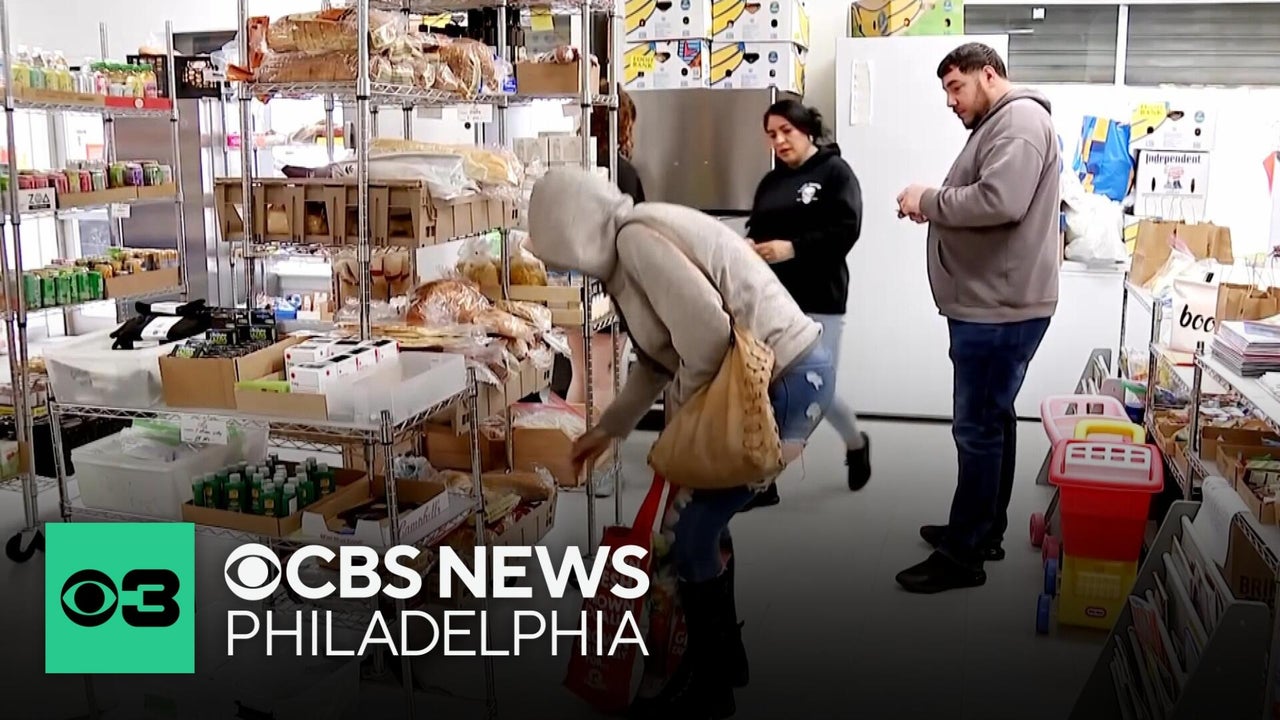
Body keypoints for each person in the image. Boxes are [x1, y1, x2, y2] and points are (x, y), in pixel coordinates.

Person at [527, 167, 834, 718]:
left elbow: (708, 339)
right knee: (706, 523)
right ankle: (726, 661)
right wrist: (609, 427)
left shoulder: (637, 240)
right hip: (782, 375)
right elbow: (658, 360)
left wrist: (686, 428)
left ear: (571, 231)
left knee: (691, 533)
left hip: (783, 381)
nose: (561, 268)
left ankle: (710, 686)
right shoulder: (627, 248)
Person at [894, 43, 1060, 594]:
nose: (950, 100)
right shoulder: (1003, 123)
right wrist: (935, 206)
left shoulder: (1018, 123)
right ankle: (982, 529)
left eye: (955, 87)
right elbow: (987, 200)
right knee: (993, 420)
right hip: (993, 303)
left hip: (998, 310)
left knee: (977, 429)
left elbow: (1000, 201)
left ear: (988, 75)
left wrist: (930, 199)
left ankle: (963, 554)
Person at [742, 99, 868, 511]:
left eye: (786, 131)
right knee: (770, 386)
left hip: (821, 298)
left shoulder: (835, 173)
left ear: (807, 131)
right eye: (772, 134)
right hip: (773, 303)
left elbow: (846, 230)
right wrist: (750, 244)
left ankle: (856, 442)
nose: (779, 141)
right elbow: (757, 227)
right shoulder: (771, 181)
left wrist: (792, 248)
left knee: (817, 388)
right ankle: (766, 480)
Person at [553, 85, 646, 412]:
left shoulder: (572, 167)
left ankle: (570, 438)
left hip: (570, 286)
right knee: (605, 377)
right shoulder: (623, 172)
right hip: (611, 289)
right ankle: (599, 443)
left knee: (581, 374)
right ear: (623, 122)